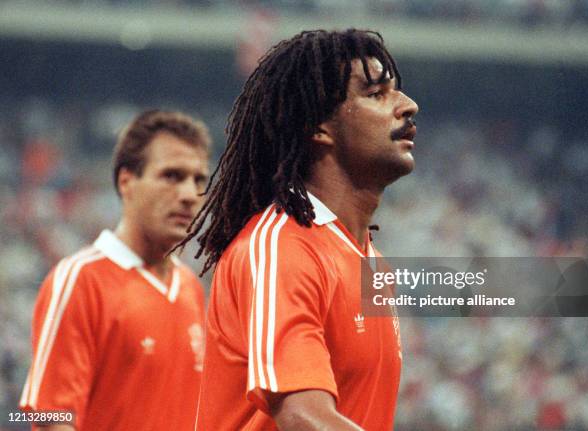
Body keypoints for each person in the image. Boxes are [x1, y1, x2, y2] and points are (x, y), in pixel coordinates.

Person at [181, 29, 418, 430]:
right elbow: (302, 417)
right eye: (376, 94)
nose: (408, 106)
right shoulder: (281, 247)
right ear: (318, 127)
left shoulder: (369, 262)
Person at [19, 110, 211, 431]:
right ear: (126, 182)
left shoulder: (189, 286)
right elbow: (49, 416)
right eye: (171, 176)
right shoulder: (80, 280)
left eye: (198, 179)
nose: (190, 195)